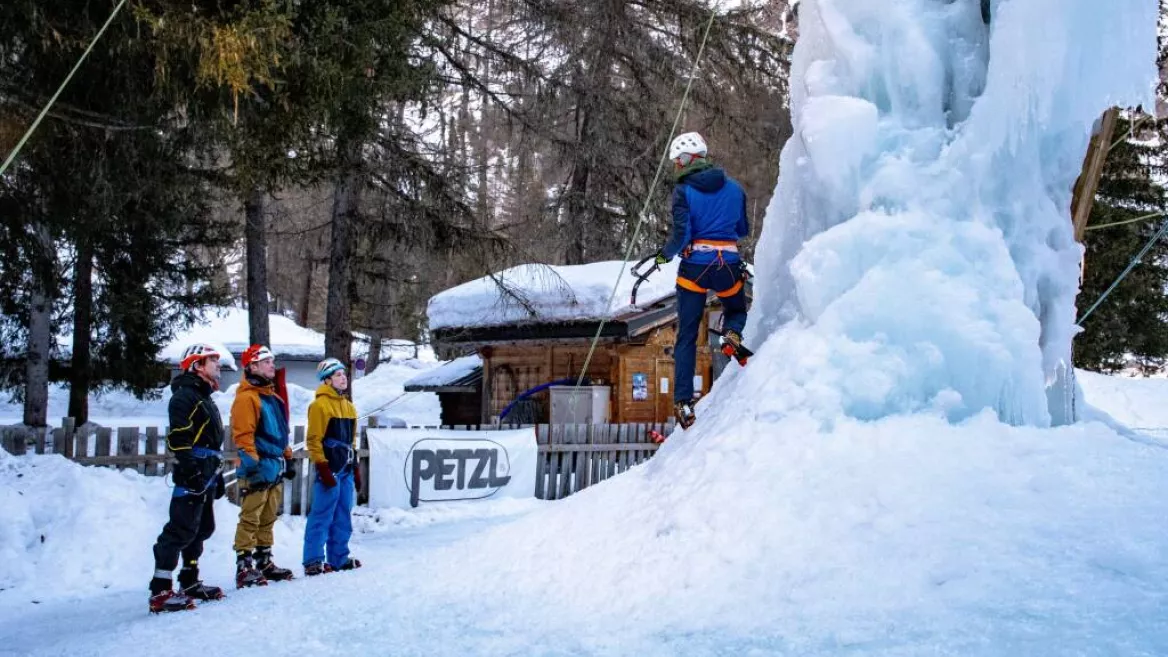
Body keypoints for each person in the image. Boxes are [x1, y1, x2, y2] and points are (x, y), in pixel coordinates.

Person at [654, 131, 751, 429]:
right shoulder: (735, 189)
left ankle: (683, 402)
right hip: (728, 265)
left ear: (687, 159)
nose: (677, 167)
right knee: (735, 309)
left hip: (695, 268)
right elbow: (743, 228)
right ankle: (731, 334)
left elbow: (681, 235)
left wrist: (664, 256)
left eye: (678, 161)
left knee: (686, 336)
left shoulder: (683, 191)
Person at [148, 343, 228, 613]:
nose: (218, 365)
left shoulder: (205, 398)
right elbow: (180, 437)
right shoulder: (185, 397)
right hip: (192, 469)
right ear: (197, 365)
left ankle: (189, 580)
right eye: (212, 360)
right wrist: (190, 468)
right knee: (180, 528)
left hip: (207, 469)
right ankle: (160, 590)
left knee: (202, 528)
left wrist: (214, 476)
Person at [231, 344, 296, 587]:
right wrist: (251, 465)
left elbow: (281, 433)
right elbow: (243, 435)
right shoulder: (246, 398)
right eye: (267, 361)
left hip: (275, 465)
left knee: (268, 517)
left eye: (272, 361)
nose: (272, 365)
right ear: (253, 366)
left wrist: (288, 457)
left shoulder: (272, 397)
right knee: (250, 517)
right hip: (258, 465)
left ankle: (264, 560)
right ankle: (244, 565)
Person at [302, 357, 363, 575]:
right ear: (326, 380)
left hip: (345, 468)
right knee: (322, 513)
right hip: (330, 468)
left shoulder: (348, 406)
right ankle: (313, 560)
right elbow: (313, 440)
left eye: (344, 374)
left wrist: (355, 467)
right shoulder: (319, 405)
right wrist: (322, 466)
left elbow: (351, 441)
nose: (343, 377)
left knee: (343, 513)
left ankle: (339, 557)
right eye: (337, 374)